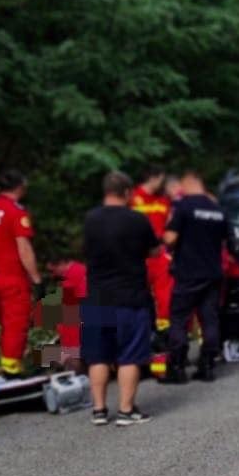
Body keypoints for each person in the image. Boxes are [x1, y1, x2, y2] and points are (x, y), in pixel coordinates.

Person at [82, 171, 160, 426]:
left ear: (105, 192)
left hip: (96, 298)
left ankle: (99, 410)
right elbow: (155, 250)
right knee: (129, 355)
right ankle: (126, 411)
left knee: (98, 355)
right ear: (127, 193)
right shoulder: (137, 220)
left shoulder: (89, 220)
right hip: (130, 297)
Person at [162, 171, 227, 383]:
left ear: (188, 182)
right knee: (209, 319)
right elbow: (228, 240)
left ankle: (177, 367)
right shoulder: (217, 209)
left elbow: (170, 239)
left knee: (179, 319)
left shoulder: (183, 207)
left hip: (188, 273)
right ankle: (207, 366)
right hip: (213, 273)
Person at [0, 170, 43, 378]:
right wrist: (36, 279)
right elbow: (24, 248)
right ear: (20, 187)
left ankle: (10, 361)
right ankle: (10, 368)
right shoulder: (17, 213)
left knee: (6, 321)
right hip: (11, 276)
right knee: (17, 321)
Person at [129, 165, 174, 348]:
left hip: (159, 254)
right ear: (153, 178)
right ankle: (144, 337)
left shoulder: (164, 200)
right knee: (139, 298)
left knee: (166, 297)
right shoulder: (132, 198)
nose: (163, 183)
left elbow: (170, 225)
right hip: (136, 255)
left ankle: (166, 338)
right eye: (161, 178)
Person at [46, 258, 86, 373]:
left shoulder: (73, 279)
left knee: (45, 355)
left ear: (61, 263)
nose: (52, 275)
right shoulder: (77, 273)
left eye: (52, 271)